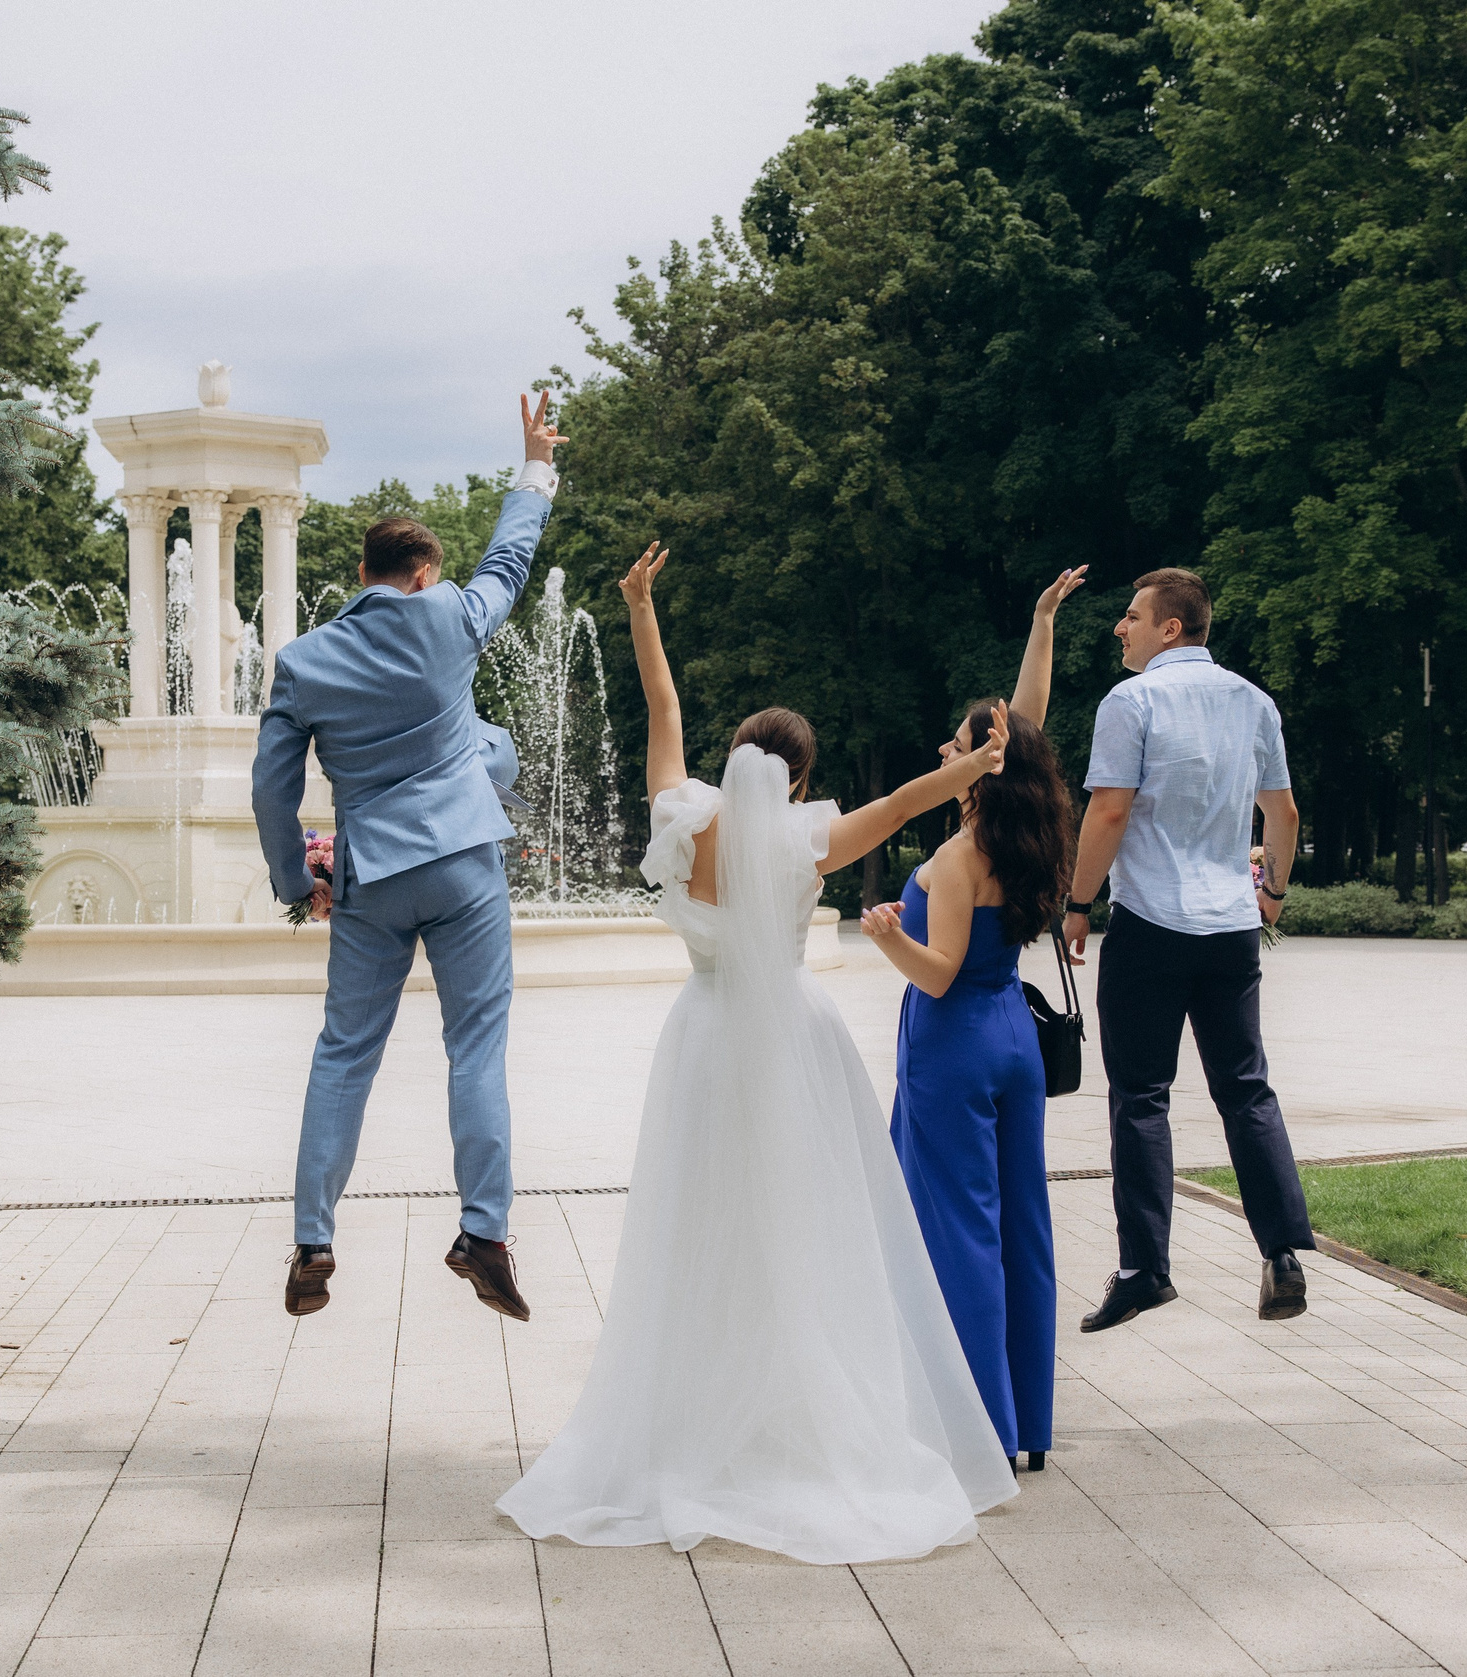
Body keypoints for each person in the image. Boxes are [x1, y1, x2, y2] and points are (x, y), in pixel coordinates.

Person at [497, 542, 1018, 1564]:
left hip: (703, 1039)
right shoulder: (805, 839)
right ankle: (806, 1411)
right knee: (811, 1225)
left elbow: (660, 714)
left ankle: (693, 1418)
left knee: (702, 1224)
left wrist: (641, 610)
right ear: (802, 777)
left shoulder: (683, 819)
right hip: (797, 1038)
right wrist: (970, 768)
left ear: (733, 760)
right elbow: (909, 805)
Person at [251, 392, 563, 1322]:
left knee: (343, 1054)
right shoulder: (452, 618)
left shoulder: (304, 660)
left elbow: (271, 790)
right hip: (466, 859)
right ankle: (485, 1231)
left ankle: (313, 1239)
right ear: (424, 574)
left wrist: (295, 878)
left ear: (364, 573)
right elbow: (511, 557)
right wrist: (534, 462)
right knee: (476, 1047)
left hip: (373, 874)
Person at [859, 568, 1085, 1473]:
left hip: (953, 1048)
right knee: (1021, 1225)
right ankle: (1026, 1423)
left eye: (959, 744)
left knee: (957, 1229)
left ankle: (972, 1428)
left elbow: (940, 973)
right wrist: (1039, 622)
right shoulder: (1036, 837)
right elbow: (1022, 719)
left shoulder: (958, 856)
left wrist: (885, 937)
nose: (948, 749)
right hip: (1015, 1046)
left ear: (980, 761)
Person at [1063, 566, 1316, 1331]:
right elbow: (1285, 812)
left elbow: (1109, 810)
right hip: (1232, 927)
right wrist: (1269, 892)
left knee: (1141, 1095)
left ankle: (1145, 1267)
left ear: (1169, 627)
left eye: (1131, 615)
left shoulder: (1131, 701)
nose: (1120, 628)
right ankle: (1281, 1253)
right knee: (1246, 1088)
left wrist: (1077, 904)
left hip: (1151, 922)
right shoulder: (1254, 701)